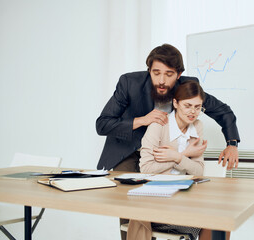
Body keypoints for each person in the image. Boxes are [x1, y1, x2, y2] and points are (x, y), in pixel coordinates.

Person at [96, 43, 239, 240]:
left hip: (165, 150)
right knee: (132, 209)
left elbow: (223, 111)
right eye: (156, 73)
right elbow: (102, 124)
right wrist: (143, 120)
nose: (161, 80)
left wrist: (232, 143)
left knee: (192, 204)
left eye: (169, 74)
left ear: (179, 75)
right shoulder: (129, 83)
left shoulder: (188, 90)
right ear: (149, 71)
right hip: (129, 151)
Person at [127, 81, 209, 240]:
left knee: (222, 220)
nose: (193, 112)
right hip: (156, 202)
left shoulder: (197, 126)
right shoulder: (158, 126)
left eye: (198, 107)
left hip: (184, 198)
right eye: (188, 105)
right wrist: (184, 154)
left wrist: (177, 156)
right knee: (214, 220)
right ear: (176, 103)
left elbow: (198, 171)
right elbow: (146, 169)